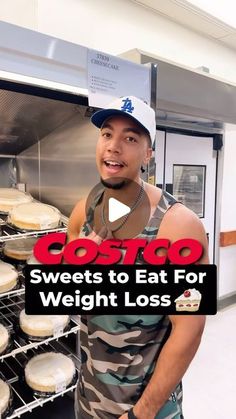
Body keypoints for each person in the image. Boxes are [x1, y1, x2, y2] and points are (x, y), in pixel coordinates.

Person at [68, 96, 208, 419]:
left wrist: (140, 414)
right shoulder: (82, 213)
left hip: (148, 411)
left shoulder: (179, 227)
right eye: (107, 133)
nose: (114, 146)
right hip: (89, 404)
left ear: (148, 154)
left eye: (130, 138)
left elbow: (189, 332)